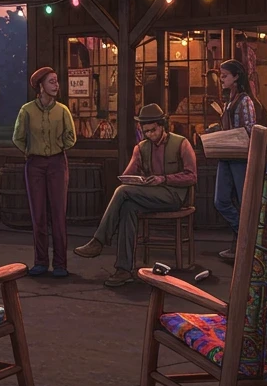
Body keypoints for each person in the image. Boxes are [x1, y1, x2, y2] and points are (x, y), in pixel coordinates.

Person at [74, 104, 198, 287]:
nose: (150, 135)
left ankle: (99, 241)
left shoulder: (181, 143)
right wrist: (137, 177)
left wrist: (163, 179)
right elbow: (127, 177)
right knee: (127, 207)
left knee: (122, 192)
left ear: (162, 125)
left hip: (174, 197)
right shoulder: (141, 148)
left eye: (153, 130)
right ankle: (124, 270)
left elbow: (191, 176)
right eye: (146, 131)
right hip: (148, 195)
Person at [12, 67, 75, 277]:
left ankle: (60, 264)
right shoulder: (27, 110)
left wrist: (57, 147)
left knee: (58, 214)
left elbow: (71, 137)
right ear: (41, 86)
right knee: (38, 214)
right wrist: (31, 151)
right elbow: (18, 137)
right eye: (51, 81)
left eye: (57, 81)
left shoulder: (63, 110)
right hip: (35, 164)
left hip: (57, 163)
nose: (56, 85)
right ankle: (40, 261)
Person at [209, 59, 255, 263]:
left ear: (236, 77)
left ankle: (245, 242)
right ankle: (246, 238)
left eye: (225, 76)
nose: (221, 79)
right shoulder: (229, 100)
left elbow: (251, 129)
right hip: (226, 155)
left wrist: (227, 135)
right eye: (221, 76)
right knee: (221, 201)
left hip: (239, 157)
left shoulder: (244, 101)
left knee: (243, 201)